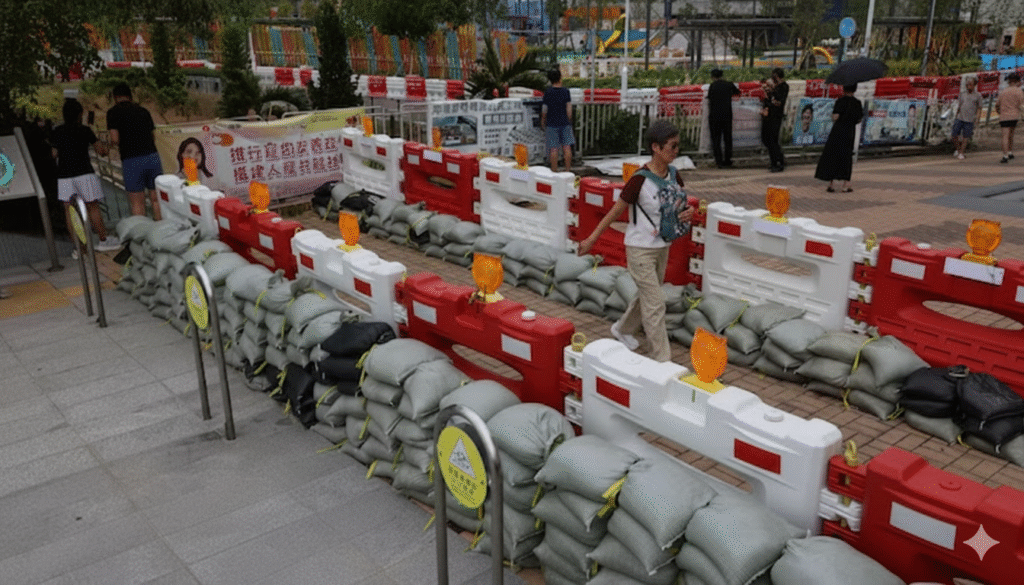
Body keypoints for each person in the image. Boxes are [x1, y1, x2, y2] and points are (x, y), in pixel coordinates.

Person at [578, 120, 694, 362]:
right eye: (672, 147)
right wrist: (591, 240)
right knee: (656, 302)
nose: (676, 151)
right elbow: (614, 211)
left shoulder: (674, 175)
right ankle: (662, 360)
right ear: (656, 147)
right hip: (640, 249)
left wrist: (687, 213)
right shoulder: (640, 180)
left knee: (647, 296)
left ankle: (621, 329)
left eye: (677, 146)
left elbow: (679, 205)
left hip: (663, 246)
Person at [51, 98, 120, 252]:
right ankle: (103, 239)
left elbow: (54, 154)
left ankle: (78, 246)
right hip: (84, 173)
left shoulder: (57, 131)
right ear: (80, 114)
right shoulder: (85, 130)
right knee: (92, 207)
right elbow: (101, 151)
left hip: (64, 175)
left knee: (69, 210)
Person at [106, 82, 163, 219]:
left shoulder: (113, 113)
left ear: (115, 97)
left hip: (131, 160)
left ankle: (142, 235)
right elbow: (152, 136)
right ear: (130, 96)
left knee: (138, 202)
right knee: (156, 199)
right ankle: (162, 230)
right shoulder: (143, 111)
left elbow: (114, 139)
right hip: (152, 157)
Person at [814, 85, 864, 193]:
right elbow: (859, 119)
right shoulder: (857, 103)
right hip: (849, 132)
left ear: (843, 89)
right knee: (846, 156)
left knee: (833, 154)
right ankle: (846, 184)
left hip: (837, 131)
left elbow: (835, 117)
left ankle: (831, 183)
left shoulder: (840, 101)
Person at [541, 68, 574, 172]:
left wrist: (543, 121)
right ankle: (567, 170)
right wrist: (569, 119)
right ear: (560, 77)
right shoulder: (566, 92)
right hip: (565, 123)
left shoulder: (548, 92)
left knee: (554, 149)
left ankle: (554, 171)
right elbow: (569, 109)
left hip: (551, 124)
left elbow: (544, 109)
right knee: (567, 147)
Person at [706, 68, 740, 168]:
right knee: (727, 138)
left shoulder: (712, 86)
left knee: (716, 139)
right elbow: (737, 92)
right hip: (727, 115)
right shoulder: (729, 84)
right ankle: (728, 159)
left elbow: (709, 98)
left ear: (712, 77)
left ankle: (719, 161)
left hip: (715, 116)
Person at [762, 68, 789, 172]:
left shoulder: (783, 87)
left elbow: (779, 102)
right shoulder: (772, 88)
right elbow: (768, 100)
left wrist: (772, 91)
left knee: (773, 139)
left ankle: (778, 162)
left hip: (776, 116)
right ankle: (775, 160)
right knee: (766, 138)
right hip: (768, 115)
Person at [952, 76, 983, 159]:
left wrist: (977, 118)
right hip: (960, 117)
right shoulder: (962, 94)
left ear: (974, 85)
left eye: (970, 84)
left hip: (969, 119)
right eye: (967, 84)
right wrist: (956, 116)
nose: (968, 86)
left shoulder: (978, 96)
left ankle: (961, 153)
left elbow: (979, 108)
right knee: (954, 134)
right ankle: (958, 150)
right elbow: (959, 106)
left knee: (966, 137)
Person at [997, 72, 1023, 163]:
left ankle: (1005, 156)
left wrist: (999, 112)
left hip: (1004, 116)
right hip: (1014, 116)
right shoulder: (1019, 91)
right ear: (1017, 81)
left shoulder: (1003, 91)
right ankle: (1010, 152)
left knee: (1005, 136)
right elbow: (1022, 104)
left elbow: (997, 104)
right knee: (1011, 135)